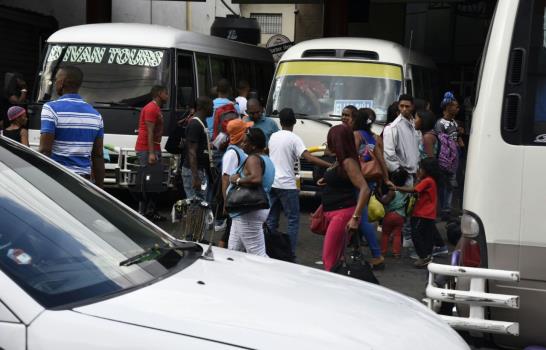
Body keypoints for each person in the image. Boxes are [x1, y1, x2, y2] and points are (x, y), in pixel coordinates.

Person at [266, 108, 332, 256]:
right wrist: (329, 165)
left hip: (272, 183)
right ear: (294, 122)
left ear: (281, 122)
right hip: (287, 185)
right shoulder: (294, 138)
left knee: (271, 219)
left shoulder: (273, 137)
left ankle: (268, 250)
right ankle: (290, 252)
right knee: (293, 220)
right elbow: (308, 157)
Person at [39, 66, 104, 188]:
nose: (55, 83)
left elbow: (45, 150)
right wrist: (100, 189)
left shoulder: (51, 108)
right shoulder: (95, 115)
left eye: (56, 79)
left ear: (62, 82)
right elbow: (98, 155)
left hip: (58, 179)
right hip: (83, 183)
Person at [318, 125, 371, 271]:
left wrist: (355, 217)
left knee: (329, 258)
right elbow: (343, 180)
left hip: (342, 214)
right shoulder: (340, 160)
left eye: (331, 141)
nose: (328, 144)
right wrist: (327, 180)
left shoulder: (348, 162)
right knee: (335, 257)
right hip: (334, 211)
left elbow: (365, 189)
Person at [347, 108, 390, 267]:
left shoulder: (356, 135)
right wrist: (385, 179)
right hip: (371, 179)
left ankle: (377, 255)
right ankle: (357, 248)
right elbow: (381, 160)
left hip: (359, 180)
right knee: (357, 215)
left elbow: (351, 157)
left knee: (361, 218)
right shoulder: (374, 137)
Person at [228, 128, 275, 256]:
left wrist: (237, 180)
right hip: (247, 211)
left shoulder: (253, 159)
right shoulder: (266, 159)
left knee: (257, 254)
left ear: (253, 145)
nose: (242, 144)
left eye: (245, 142)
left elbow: (256, 178)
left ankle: (271, 275)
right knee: (233, 252)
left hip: (249, 210)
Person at [391, 157, 443, 268]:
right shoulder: (431, 181)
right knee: (426, 235)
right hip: (429, 214)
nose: (419, 170)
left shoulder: (427, 181)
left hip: (422, 213)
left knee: (416, 234)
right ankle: (427, 256)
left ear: (426, 170)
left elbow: (414, 190)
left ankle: (423, 257)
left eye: (421, 168)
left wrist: (396, 187)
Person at [134, 85, 169, 220]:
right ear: (159, 94)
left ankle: (150, 211)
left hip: (152, 147)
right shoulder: (151, 108)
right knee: (147, 181)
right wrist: (151, 153)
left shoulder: (156, 108)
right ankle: (143, 211)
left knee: (154, 181)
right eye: (166, 93)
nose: (167, 96)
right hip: (146, 149)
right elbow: (149, 132)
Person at [217, 118, 253, 248]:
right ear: (240, 134)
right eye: (246, 130)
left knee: (230, 231)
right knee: (228, 232)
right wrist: (226, 203)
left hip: (237, 198)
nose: (248, 132)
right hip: (233, 199)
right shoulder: (232, 153)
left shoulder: (239, 150)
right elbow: (225, 178)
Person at [435, 91, 464, 219]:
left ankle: (447, 209)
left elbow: (457, 139)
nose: (457, 108)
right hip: (446, 157)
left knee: (452, 182)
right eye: (454, 106)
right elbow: (440, 142)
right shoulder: (440, 124)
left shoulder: (454, 122)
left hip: (455, 155)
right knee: (445, 183)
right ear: (447, 107)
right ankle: (444, 209)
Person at [182, 96, 213, 200]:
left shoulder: (202, 122)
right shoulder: (195, 124)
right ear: (203, 107)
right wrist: (195, 177)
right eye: (211, 106)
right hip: (194, 171)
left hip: (200, 170)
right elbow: (191, 151)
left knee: (202, 203)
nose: (213, 109)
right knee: (195, 205)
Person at [383, 94, 420, 182]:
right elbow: (388, 153)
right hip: (403, 176)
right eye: (401, 106)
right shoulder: (392, 127)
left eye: (407, 106)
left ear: (412, 107)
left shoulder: (415, 125)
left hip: (416, 174)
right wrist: (398, 171)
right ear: (398, 107)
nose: (404, 109)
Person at [377, 171, 408, 258]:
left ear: (393, 179)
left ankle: (383, 251)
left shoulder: (392, 191)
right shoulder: (406, 190)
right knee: (397, 234)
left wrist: (377, 198)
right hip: (401, 216)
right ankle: (396, 253)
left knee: (385, 233)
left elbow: (385, 201)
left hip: (390, 215)